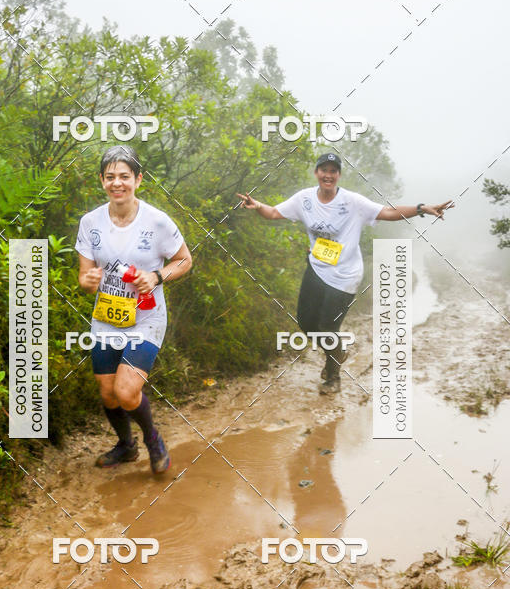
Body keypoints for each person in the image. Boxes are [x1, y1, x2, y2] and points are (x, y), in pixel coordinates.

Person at [238, 152, 453, 394]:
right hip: (317, 268)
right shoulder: (304, 199)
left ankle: (333, 375)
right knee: (306, 322)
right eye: (324, 170)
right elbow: (274, 213)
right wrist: (258, 206)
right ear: (317, 173)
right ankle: (338, 352)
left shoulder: (353, 202)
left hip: (345, 276)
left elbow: (389, 213)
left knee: (327, 327)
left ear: (339, 175)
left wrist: (421, 208)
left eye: (333, 171)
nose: (328, 175)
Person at [75, 145, 192, 472]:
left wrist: (156, 276)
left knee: (126, 392)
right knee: (108, 393)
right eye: (110, 176)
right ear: (101, 180)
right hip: (107, 317)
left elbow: (184, 260)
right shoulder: (90, 222)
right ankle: (126, 446)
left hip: (146, 318)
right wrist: (89, 280)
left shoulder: (157, 221)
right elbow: (84, 278)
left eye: (124, 176)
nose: (117, 183)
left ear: (138, 179)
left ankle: (152, 439)